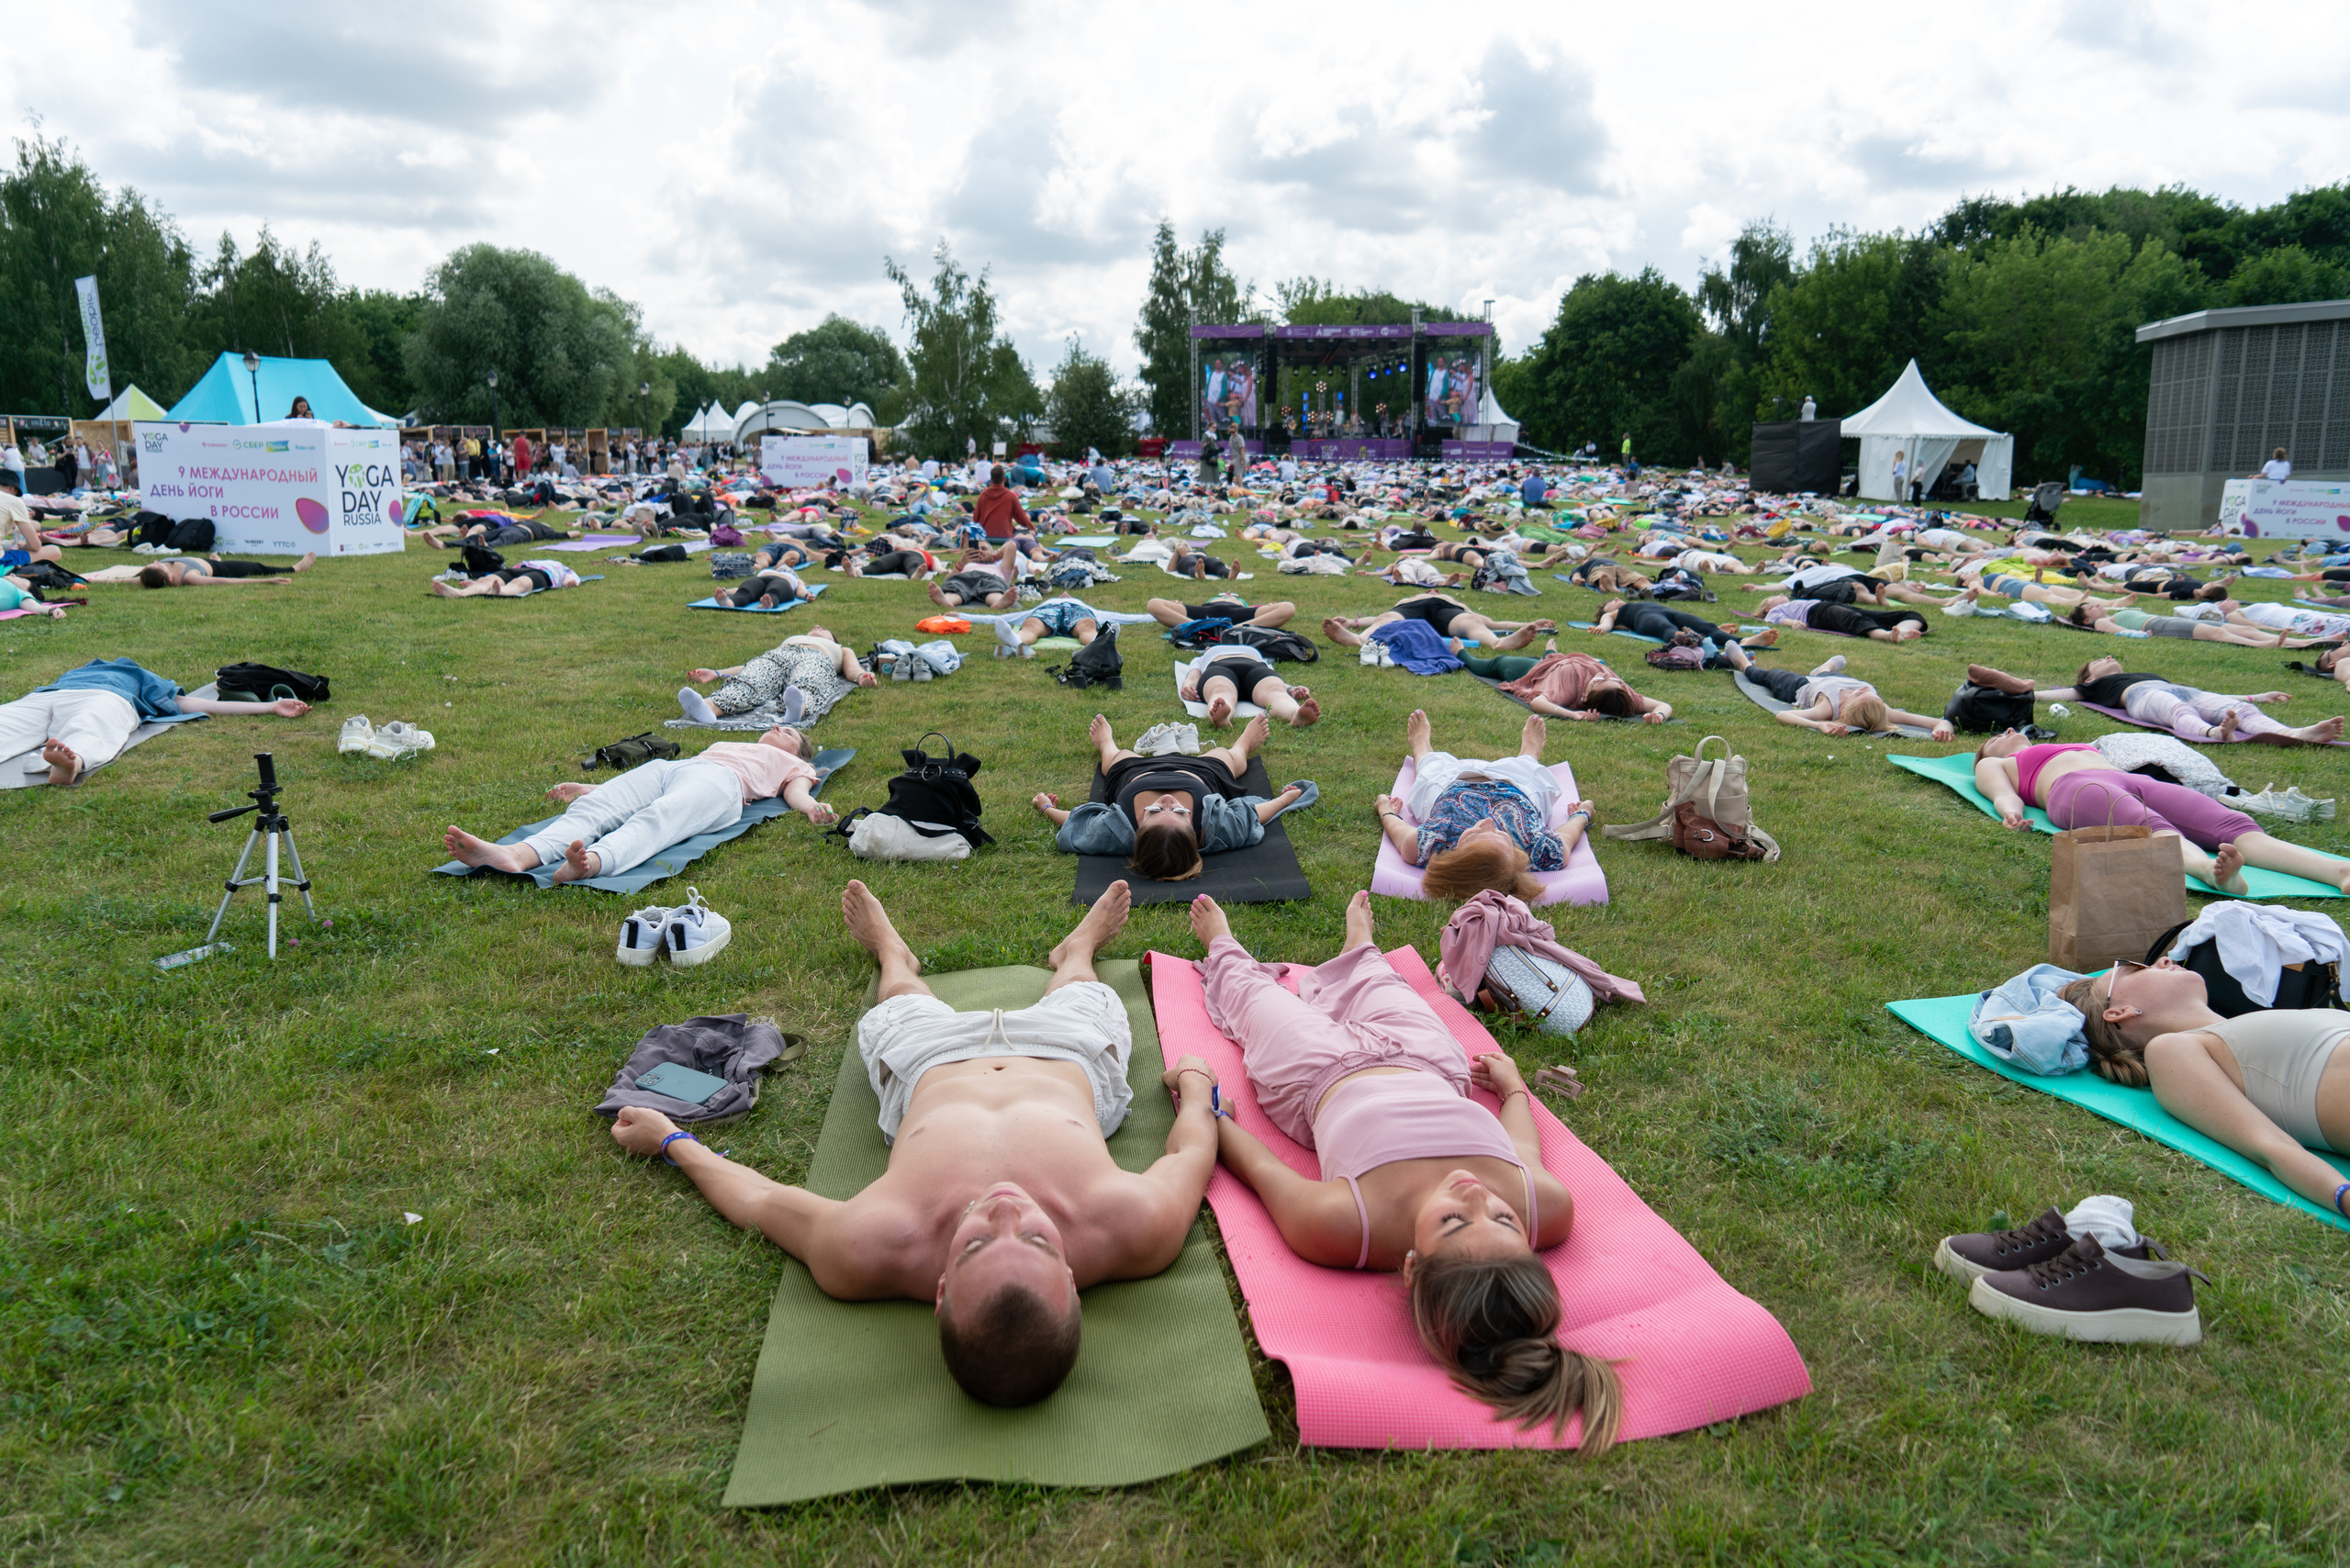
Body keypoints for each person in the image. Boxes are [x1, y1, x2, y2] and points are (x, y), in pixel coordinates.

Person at [609, 880, 1219, 1406]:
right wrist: (1195, 1089)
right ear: (1066, 1270)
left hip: (931, 1065)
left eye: (977, 1242)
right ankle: (1078, 951)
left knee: (901, 1002)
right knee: (1084, 995)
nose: (1006, 1207)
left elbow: (760, 1203)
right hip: (1065, 1056)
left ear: (943, 1289)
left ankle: (893, 956)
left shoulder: (870, 1247)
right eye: (1036, 1238)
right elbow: (1188, 1155)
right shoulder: (1135, 1228)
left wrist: (672, 1141)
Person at [1183, 890, 1621, 1443]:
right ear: (1528, 1236)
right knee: (1385, 984)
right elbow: (1523, 1152)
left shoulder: (1348, 1228)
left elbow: (1264, 1170)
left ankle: (1222, 944)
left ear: (1413, 1266)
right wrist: (1514, 1094)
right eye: (1504, 1220)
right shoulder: (1547, 1208)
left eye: (1454, 1223)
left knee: (1254, 1001)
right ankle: (1359, 949)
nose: (1476, 1197)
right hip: (1429, 1064)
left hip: (1314, 1076)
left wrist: (1207, 1110)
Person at [2057, 959, 2350, 1219]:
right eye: (2136, 968)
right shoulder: (2171, 1050)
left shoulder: (2245, 1027)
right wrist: (2343, 1196)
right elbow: (2270, 1147)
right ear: (2119, 1011)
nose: (2163, 958)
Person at [1974, 727, 2350, 893]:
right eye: (1993, 739)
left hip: (2132, 780)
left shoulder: (2082, 745)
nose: (2004, 732)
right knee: (2149, 825)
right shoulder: (1995, 764)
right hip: (2075, 789)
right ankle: (2209, 871)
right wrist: (2010, 811)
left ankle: (2338, 871)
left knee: (2231, 823)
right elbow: (2001, 793)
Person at [442, 725, 838, 882]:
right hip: (676, 768)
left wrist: (809, 808)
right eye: (778, 724)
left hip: (724, 786)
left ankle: (592, 863)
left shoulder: (795, 763)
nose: (780, 728)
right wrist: (592, 789)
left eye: (790, 732)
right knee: (593, 811)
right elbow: (625, 797)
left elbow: (796, 791)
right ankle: (516, 854)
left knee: (660, 818)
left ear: (799, 752)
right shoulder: (731, 743)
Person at [1033, 713, 1306, 881]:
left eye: (1153, 811)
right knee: (1228, 757)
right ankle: (1244, 743)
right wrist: (1285, 799)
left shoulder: (1115, 833)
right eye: (1179, 813)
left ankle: (1106, 742)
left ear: (1137, 832)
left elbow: (1073, 824)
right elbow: (1254, 815)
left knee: (1115, 758)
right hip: (1204, 772)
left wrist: (1045, 806)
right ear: (1196, 832)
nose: (1166, 802)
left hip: (1134, 771)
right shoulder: (1217, 830)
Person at [1373, 711, 1590, 902]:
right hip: (1517, 785)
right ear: (1517, 859)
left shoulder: (1432, 844)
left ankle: (1422, 750)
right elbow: (1567, 836)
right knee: (1529, 770)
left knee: (1430, 772)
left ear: (1454, 853)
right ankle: (1529, 754)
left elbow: (1400, 832)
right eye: (1500, 835)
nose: (1488, 823)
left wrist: (1385, 810)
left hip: (1449, 785)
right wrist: (1583, 813)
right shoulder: (1541, 851)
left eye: (1472, 835)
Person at [1, 657, 310, 788]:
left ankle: (70, 763)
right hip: (49, 695)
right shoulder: (74, 673)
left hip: (109, 699)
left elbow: (194, 703)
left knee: (92, 725)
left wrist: (271, 706)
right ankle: (67, 757)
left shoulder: (144, 680)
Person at [1717, 646, 1953, 738]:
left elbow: (1783, 715)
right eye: (1867, 693)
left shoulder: (1827, 708)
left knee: (1760, 675)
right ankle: (1825, 668)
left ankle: (1741, 661)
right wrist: (1943, 728)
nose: (1862, 689)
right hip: (1834, 680)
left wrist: (1819, 725)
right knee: (1825, 675)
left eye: (1861, 693)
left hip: (1799, 685)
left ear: (1849, 706)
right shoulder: (1875, 702)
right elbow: (1940, 722)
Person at [680, 627, 876, 722]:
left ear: (832, 639)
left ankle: (795, 711)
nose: (816, 627)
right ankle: (709, 708)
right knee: (753, 678)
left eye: (823, 629)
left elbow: (852, 670)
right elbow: (751, 667)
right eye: (814, 627)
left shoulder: (839, 648)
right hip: (778, 656)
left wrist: (861, 677)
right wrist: (717, 673)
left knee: (808, 681)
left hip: (815, 659)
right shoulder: (791, 640)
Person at [1323, 594, 1556, 653]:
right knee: (1387, 619)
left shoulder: (1451, 600)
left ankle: (1499, 642)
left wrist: (1528, 623)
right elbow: (1382, 618)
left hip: (1447, 612)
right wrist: (1354, 622)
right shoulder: (1410, 598)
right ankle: (1359, 638)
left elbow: (1491, 622)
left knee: (1472, 620)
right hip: (1410, 610)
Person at [1179, 644, 1319, 727]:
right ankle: (1222, 718)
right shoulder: (1201, 657)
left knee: (1275, 690)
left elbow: (1272, 677)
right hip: (1220, 668)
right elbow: (1193, 675)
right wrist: (1188, 686)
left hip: (1255, 668)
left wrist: (1290, 688)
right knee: (1221, 690)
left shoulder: (1257, 655)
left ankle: (1295, 714)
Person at [2065, 601, 2321, 646]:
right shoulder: (2102, 623)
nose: (2097, 606)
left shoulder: (2110, 613)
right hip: (2159, 626)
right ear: (2088, 620)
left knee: (2245, 628)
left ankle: (2304, 642)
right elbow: (2120, 632)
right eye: (2091, 608)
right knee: (2217, 632)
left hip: (2165, 620)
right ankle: (2267, 645)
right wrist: (2138, 635)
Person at [1757, 594, 1929, 642]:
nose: (1780, 594)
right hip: (1818, 612)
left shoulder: (1788, 604)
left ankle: (1904, 630)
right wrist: (1793, 622)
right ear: (1768, 607)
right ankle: (1885, 635)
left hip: (1826, 607)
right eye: (1774, 596)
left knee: (1892, 615)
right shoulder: (1774, 611)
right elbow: (1776, 619)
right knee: (1853, 619)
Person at [927, 540, 1024, 610]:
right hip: (965, 578)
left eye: (984, 549)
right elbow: (948, 581)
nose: (980, 551)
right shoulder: (967, 565)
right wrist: (961, 564)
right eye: (977, 549)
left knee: (993, 589)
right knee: (956, 587)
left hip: (990, 579)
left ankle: (999, 602)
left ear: (992, 553)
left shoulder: (999, 568)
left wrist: (995, 557)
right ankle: (947, 601)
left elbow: (1011, 545)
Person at [134, 554, 316, 588]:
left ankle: (214, 560)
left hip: (206, 562)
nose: (157, 561)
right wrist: (267, 580)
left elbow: (121, 580)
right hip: (222, 569)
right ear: (170, 578)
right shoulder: (189, 577)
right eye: (157, 565)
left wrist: (104, 579)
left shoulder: (148, 576)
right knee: (257, 568)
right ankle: (296, 568)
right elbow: (229, 581)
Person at [430, 557, 582, 598]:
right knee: (486, 580)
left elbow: (569, 580)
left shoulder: (566, 570)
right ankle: (461, 592)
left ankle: (499, 591)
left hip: (544, 575)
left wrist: (570, 583)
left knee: (519, 584)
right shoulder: (537, 562)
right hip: (521, 567)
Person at [1145, 592, 1296, 632]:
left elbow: (1285, 609)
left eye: (1233, 595)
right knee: (1153, 603)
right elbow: (1156, 605)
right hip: (1204, 615)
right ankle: (1198, 627)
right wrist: (1174, 606)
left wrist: (1269, 607)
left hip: (1239, 617)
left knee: (1289, 606)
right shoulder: (1202, 608)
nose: (1228, 593)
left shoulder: (1250, 610)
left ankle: (1234, 631)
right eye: (1224, 594)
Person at [975, 465, 1032, 540]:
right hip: (1005, 535)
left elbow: (976, 519)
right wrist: (1032, 527)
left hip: (985, 534)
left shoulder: (982, 495)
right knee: (1028, 534)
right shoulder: (1011, 496)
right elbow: (1022, 518)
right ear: (1005, 479)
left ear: (991, 479)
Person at [0, 466, 39, 553]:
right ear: (12, 488)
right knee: (54, 551)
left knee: (7, 544)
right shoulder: (13, 501)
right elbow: (35, 546)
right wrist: (25, 546)